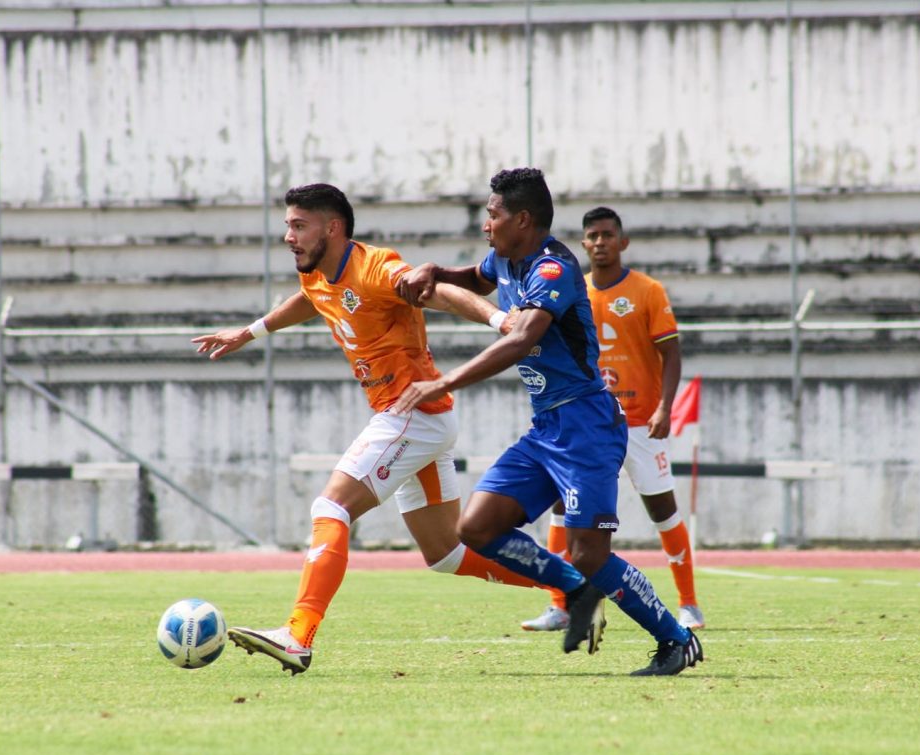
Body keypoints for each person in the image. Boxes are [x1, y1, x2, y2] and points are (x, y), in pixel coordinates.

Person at [191, 182, 597, 675]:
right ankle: (574, 586)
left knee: (331, 506)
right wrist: (249, 332)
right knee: (446, 554)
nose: (289, 237)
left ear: (332, 228)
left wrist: (496, 320)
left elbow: (439, 291)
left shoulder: (376, 268)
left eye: (298, 226)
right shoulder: (318, 274)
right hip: (420, 419)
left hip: (412, 413)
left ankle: (297, 635)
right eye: (287, 226)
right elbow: (309, 300)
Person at [393, 168, 703, 677]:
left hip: (588, 427)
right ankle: (577, 592)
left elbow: (521, 339)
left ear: (522, 219)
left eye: (493, 214)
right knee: (476, 527)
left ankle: (676, 639)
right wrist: (436, 271)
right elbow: (478, 276)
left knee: (590, 553)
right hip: (547, 429)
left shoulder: (554, 269)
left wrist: (444, 383)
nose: (486, 223)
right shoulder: (506, 257)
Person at [519, 206, 705, 634]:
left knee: (663, 511)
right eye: (592, 235)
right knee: (562, 506)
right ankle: (560, 605)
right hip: (590, 421)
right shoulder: (569, 287)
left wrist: (664, 408)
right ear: (583, 244)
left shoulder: (648, 291)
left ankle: (689, 604)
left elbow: (671, 354)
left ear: (622, 242)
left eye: (607, 234)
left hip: (641, 422)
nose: (600, 242)